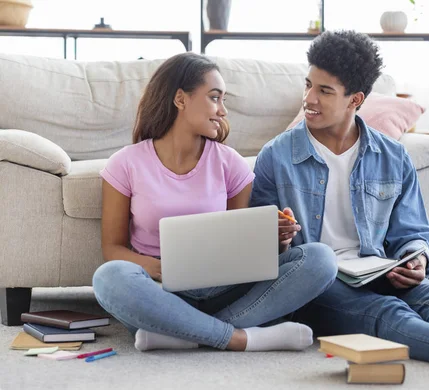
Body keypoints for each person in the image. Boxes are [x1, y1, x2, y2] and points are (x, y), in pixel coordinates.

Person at [249, 30, 429, 375]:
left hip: (375, 268)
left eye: (324, 91)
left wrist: (417, 257)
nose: (309, 98)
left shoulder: (391, 155)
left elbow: (412, 230)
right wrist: (278, 236)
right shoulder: (277, 155)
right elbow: (262, 248)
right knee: (389, 313)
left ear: (355, 99)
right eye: (308, 85)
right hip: (318, 285)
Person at [92, 52, 338, 353]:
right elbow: (112, 250)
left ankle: (181, 332)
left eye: (223, 101)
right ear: (180, 99)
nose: (222, 110)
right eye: (214, 98)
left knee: (320, 259)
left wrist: (277, 240)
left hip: (225, 288)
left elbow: (245, 251)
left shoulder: (231, 164)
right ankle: (237, 337)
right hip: (160, 291)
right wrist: (163, 269)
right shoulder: (126, 163)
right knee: (108, 278)